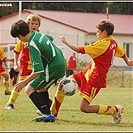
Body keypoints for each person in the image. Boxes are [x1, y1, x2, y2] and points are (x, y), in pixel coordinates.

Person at [51, 19, 133, 124]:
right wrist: (128, 62)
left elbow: (79, 50)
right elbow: (123, 54)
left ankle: (115, 109)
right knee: (63, 84)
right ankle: (52, 114)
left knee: (84, 108)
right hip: (86, 73)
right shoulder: (113, 42)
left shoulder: (102, 45)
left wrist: (65, 41)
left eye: (98, 32)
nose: (96, 34)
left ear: (104, 32)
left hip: (95, 79)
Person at [9, 19, 66, 122]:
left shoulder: (32, 44)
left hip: (53, 67)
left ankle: (47, 114)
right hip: (60, 61)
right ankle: (47, 110)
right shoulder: (37, 34)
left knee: (29, 88)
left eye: (18, 37)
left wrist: (24, 82)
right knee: (40, 88)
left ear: (20, 35)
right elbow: (50, 38)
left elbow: (38, 71)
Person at [5, 14, 52, 110]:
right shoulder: (23, 37)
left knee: (40, 86)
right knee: (20, 84)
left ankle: (44, 103)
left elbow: (50, 39)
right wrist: (15, 64)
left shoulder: (39, 36)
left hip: (38, 66)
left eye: (36, 24)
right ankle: (10, 103)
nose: (34, 26)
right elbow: (16, 52)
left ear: (39, 25)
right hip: (25, 65)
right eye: (32, 24)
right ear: (28, 25)